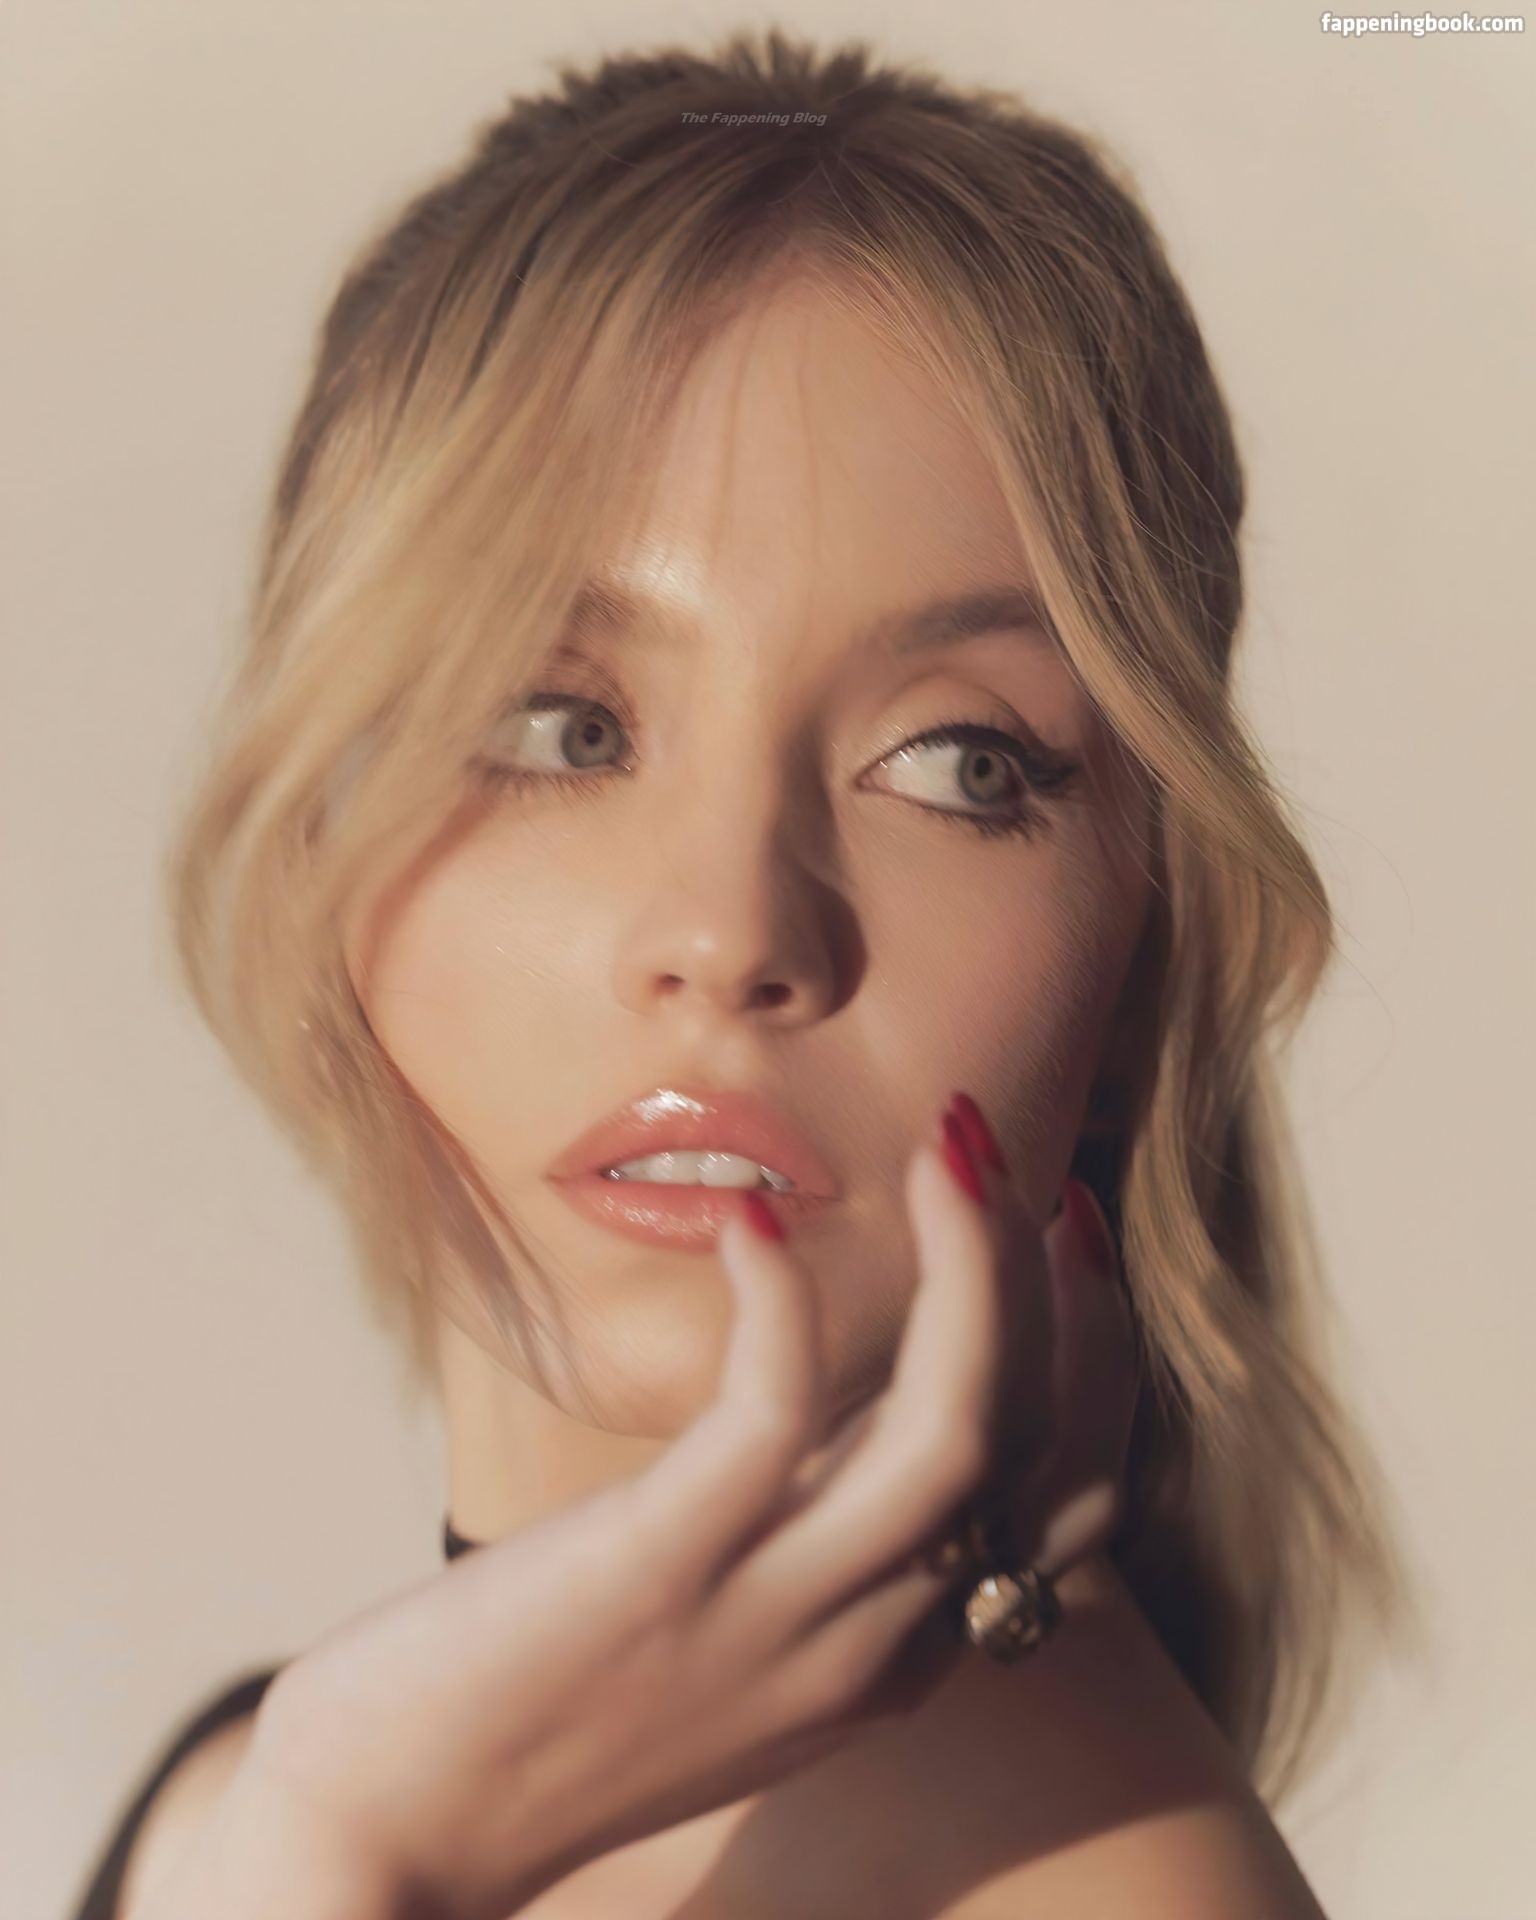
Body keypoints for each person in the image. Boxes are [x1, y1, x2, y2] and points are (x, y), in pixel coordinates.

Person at [70, 27, 1412, 1920]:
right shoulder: (278, 1779)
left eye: (960, 764)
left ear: (1143, 949)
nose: (731, 933)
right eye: (562, 725)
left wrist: (348, 1852)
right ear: (315, 841)